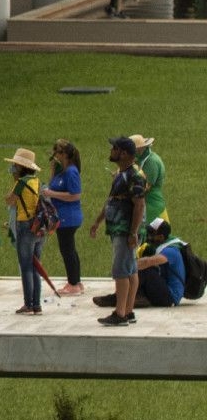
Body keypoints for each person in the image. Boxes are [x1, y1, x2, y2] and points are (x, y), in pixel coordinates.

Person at [92, 136, 147, 327]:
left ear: (123, 153)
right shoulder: (121, 174)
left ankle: (120, 313)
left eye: (114, 148)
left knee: (121, 272)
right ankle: (129, 311)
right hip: (119, 228)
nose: (111, 151)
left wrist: (133, 233)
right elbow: (112, 200)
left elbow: (139, 205)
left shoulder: (134, 176)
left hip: (125, 231)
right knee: (130, 270)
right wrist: (98, 221)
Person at [3, 148, 45, 316]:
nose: (13, 167)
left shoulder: (21, 183)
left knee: (26, 266)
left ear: (21, 167)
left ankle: (28, 304)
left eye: (15, 165)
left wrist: (14, 181)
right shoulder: (37, 181)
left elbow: (9, 200)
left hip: (25, 226)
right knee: (36, 266)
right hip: (38, 226)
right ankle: (37, 304)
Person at [42, 139, 85, 295]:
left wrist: (52, 194)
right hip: (62, 216)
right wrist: (52, 171)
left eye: (57, 153)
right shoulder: (62, 171)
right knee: (70, 249)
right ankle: (76, 281)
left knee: (67, 250)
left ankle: (73, 284)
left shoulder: (71, 172)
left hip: (69, 216)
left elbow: (75, 195)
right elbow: (51, 185)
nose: (55, 156)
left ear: (65, 154)